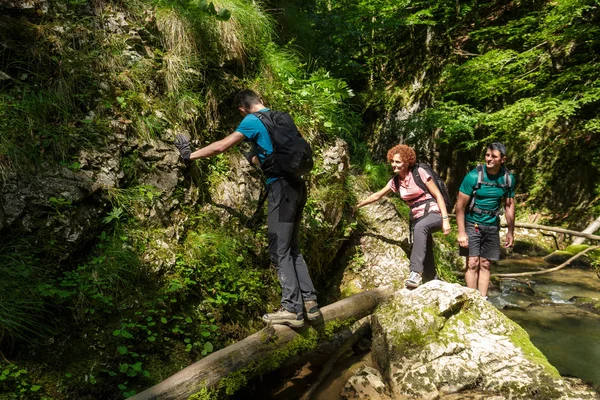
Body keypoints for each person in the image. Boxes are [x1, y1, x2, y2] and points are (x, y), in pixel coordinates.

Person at [174, 89, 320, 328]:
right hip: (298, 187)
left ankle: (293, 309)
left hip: (281, 191)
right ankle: (310, 305)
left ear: (242, 108)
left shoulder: (251, 121)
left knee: (279, 250)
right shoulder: (282, 117)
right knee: (293, 249)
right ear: (260, 99)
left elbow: (222, 146)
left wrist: (190, 156)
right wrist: (255, 158)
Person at [356, 144, 451, 288]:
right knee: (426, 249)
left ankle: (415, 273)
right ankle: (432, 280)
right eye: (393, 161)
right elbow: (377, 196)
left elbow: (438, 195)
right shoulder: (395, 181)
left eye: (398, 162)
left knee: (420, 228)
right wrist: (357, 205)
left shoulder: (419, 172)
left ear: (407, 162)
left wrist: (445, 220)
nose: (394, 164)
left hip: (434, 213)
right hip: (418, 218)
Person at [455, 143, 515, 298]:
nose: (489, 159)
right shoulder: (473, 176)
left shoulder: (508, 179)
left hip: (492, 226)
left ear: (503, 159)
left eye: (494, 156)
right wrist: (461, 232)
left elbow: (509, 205)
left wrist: (510, 231)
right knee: (472, 262)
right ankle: (472, 298)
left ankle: (483, 299)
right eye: (487, 155)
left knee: (486, 264)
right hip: (472, 224)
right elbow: (460, 206)